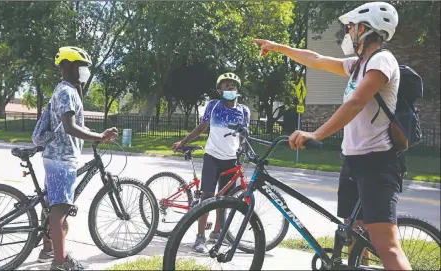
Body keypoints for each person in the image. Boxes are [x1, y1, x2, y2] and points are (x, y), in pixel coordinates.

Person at [253, 2, 411, 270]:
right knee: (355, 235)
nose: (347, 32)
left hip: (378, 164)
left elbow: (357, 102)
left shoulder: (382, 61)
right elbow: (315, 59)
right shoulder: (357, 66)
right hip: (353, 161)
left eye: (350, 27)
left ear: (364, 29)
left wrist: (316, 133)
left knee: (388, 247)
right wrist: (278, 47)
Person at [37, 46, 118, 271]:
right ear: (70, 67)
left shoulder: (67, 90)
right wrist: (100, 137)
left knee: (52, 206)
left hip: (56, 156)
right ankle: (60, 263)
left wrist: (95, 135)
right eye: (82, 67)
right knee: (60, 210)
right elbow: (70, 127)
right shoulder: (66, 92)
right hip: (62, 159)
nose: (84, 72)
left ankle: (49, 250)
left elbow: (73, 126)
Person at [172, 72, 251, 253]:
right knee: (207, 198)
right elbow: (201, 127)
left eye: (233, 84)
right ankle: (200, 236)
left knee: (225, 200)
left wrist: (245, 151)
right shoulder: (214, 106)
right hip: (212, 158)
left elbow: (244, 135)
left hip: (231, 160)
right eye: (225, 85)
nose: (230, 87)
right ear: (219, 89)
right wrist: (183, 142)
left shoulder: (244, 111)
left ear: (237, 88)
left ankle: (217, 233)